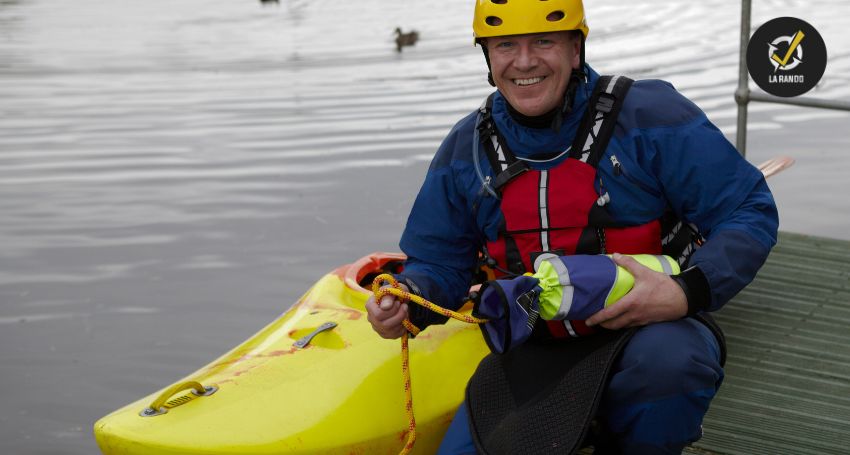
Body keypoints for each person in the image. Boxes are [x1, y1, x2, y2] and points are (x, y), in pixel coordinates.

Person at [366, 0, 778, 453]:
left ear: (575, 50)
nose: (525, 62)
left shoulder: (651, 116)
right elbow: (439, 262)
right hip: (530, 351)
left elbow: (747, 208)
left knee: (672, 364)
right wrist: (408, 301)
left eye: (544, 41)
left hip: (645, 335)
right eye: (506, 45)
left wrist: (685, 292)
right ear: (488, 57)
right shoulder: (467, 149)